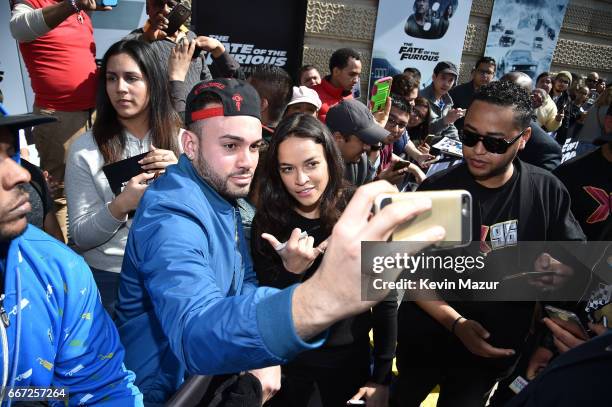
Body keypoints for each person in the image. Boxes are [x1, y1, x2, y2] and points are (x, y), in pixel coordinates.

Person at [114, 78, 445, 404]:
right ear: (190, 145)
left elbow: (241, 281)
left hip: (219, 378)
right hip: (165, 389)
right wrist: (319, 297)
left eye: (254, 146)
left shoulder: (220, 196)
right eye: (230, 145)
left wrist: (263, 350)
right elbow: (195, 334)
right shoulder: (172, 215)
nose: (247, 161)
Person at [392, 81, 585, 407]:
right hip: (424, 344)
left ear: (523, 139)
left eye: (494, 142)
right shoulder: (441, 191)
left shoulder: (546, 192)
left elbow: (576, 268)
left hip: (492, 355)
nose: (477, 150)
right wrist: (456, 323)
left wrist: (558, 285)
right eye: (469, 136)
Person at [251, 114, 396, 406]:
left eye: (311, 164)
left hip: (349, 365)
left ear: (330, 158)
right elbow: (264, 312)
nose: (300, 180)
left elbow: (385, 299)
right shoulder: (268, 221)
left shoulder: (359, 211)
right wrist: (292, 272)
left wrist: (380, 377)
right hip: (288, 370)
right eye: (287, 168)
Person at [0, 112, 144, 405]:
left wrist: (35, 398)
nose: (21, 174)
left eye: (11, 153)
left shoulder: (57, 268)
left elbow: (100, 388)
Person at [65, 40, 181, 314]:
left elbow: (206, 211)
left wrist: (182, 175)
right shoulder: (85, 148)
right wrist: (121, 205)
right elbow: (80, 236)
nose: (120, 89)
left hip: (170, 271)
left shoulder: (181, 139)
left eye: (131, 78)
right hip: (110, 279)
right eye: (111, 78)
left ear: (153, 81)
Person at [9, 0, 110, 239]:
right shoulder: (34, 3)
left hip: (94, 112)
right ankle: (63, 265)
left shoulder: (81, 8)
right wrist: (73, 4)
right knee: (60, 195)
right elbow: (18, 28)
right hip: (58, 116)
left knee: (98, 184)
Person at [125, 0, 239, 113]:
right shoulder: (134, 40)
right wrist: (146, 39)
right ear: (147, 8)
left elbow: (205, 81)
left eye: (171, 4)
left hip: (193, 121)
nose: (165, 10)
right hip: (160, 122)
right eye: (158, 4)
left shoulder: (191, 37)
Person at [501, 71, 561, 171]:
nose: (502, 97)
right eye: (499, 90)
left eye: (512, 94)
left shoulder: (547, 149)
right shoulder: (481, 124)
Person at [326, 99, 390, 186]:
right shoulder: (321, 172)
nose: (367, 147)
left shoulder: (360, 161)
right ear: (338, 138)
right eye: (363, 140)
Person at [313, 48, 362, 123]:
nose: (356, 80)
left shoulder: (351, 97)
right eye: (352, 74)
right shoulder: (311, 95)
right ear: (336, 71)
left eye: (358, 75)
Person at [449, 57, 496, 132]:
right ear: (474, 72)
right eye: (481, 71)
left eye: (488, 72)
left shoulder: (496, 97)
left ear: (493, 75)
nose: (484, 75)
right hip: (457, 137)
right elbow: (447, 120)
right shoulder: (456, 92)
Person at [248, 64, 294, 141]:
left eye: (245, 93)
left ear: (261, 104)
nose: (239, 98)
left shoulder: (244, 141)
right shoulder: (291, 142)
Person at [420, 61, 463, 141]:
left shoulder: (447, 101)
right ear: (434, 77)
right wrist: (445, 120)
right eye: (443, 78)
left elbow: (450, 127)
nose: (446, 84)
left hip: (441, 146)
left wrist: (458, 145)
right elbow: (420, 130)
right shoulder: (421, 98)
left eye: (450, 80)